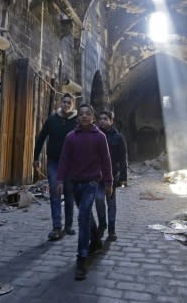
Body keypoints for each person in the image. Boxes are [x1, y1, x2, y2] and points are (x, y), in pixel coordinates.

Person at [56, 103, 112, 281]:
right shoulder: (71, 137)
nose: (84, 116)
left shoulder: (100, 137)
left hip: (91, 183)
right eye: (81, 114)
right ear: (77, 117)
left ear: (93, 117)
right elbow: (64, 160)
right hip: (75, 183)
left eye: (88, 114)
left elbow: (106, 161)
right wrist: (59, 180)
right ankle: (95, 239)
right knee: (86, 215)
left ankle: (82, 258)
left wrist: (109, 181)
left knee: (82, 217)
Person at [32, 93, 78, 241]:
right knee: (54, 192)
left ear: (73, 105)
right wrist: (36, 157)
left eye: (69, 103)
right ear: (61, 103)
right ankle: (56, 227)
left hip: (71, 163)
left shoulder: (77, 121)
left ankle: (69, 225)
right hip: (54, 162)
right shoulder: (52, 119)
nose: (66, 105)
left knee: (70, 194)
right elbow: (41, 137)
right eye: (64, 102)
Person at [94, 110, 127, 242]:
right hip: (97, 175)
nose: (102, 121)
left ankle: (111, 230)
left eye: (105, 119)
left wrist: (123, 177)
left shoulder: (118, 137)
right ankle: (102, 224)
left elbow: (123, 159)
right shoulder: (95, 136)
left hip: (112, 176)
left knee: (111, 203)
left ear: (111, 121)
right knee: (98, 200)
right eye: (100, 119)